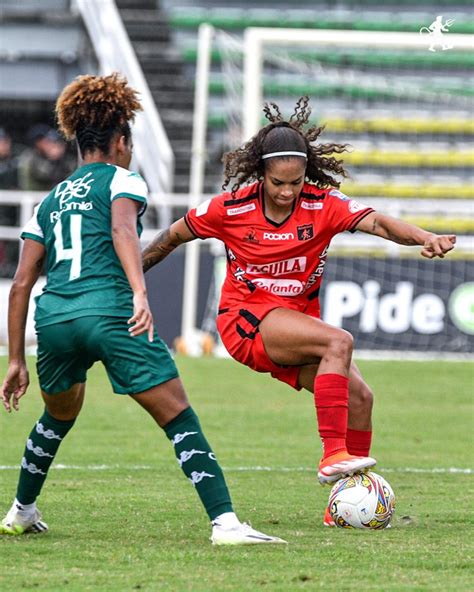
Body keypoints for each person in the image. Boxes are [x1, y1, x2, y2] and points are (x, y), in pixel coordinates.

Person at [142, 97, 456, 526]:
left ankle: (347, 502)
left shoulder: (322, 204)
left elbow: (379, 223)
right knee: (338, 340)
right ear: (261, 174)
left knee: (360, 396)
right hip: (245, 321)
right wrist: (128, 273)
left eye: (296, 181)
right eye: (278, 183)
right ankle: (332, 456)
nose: (288, 191)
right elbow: (171, 237)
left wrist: (424, 236)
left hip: (291, 325)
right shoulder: (229, 208)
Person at [0, 73, 285, 545]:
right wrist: (139, 292)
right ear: (119, 140)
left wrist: (14, 359)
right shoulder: (122, 179)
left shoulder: (48, 202)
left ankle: (20, 511)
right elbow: (122, 232)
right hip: (111, 312)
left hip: (54, 319)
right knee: (177, 415)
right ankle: (226, 524)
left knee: (57, 416)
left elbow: (22, 283)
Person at [18, 124, 75, 191]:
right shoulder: (31, 157)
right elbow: (44, 175)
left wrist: (57, 160)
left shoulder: (68, 161)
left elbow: (70, 178)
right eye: (49, 143)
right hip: (34, 194)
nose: (52, 147)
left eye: (57, 145)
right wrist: (53, 160)